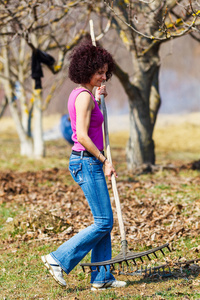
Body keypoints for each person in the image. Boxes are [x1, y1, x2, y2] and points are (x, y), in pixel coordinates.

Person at [41, 39, 126, 291]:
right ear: (86, 70)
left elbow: (90, 124)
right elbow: (82, 136)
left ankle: (101, 277)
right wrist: (105, 161)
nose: (104, 76)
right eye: (99, 72)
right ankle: (59, 259)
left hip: (88, 161)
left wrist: (100, 99)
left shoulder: (86, 95)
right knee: (103, 221)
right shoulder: (83, 98)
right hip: (86, 161)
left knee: (105, 221)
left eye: (105, 72)